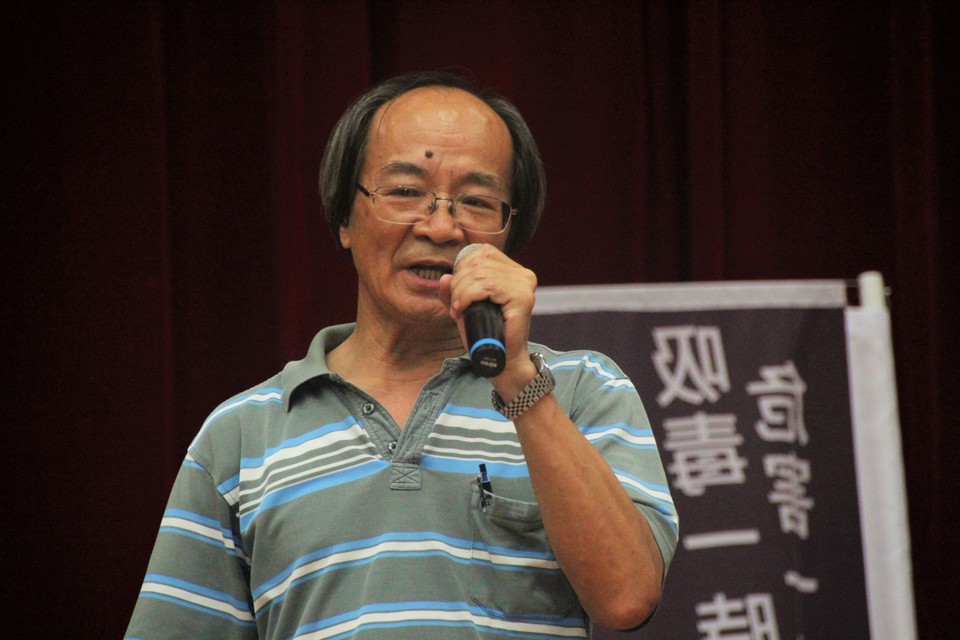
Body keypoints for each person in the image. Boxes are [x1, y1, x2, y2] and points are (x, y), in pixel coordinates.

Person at [125, 70, 678, 639]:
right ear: (345, 218)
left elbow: (627, 597)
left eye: (476, 201)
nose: (441, 226)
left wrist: (518, 380)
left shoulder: (583, 388)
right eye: (405, 192)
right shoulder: (241, 434)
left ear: (509, 234)